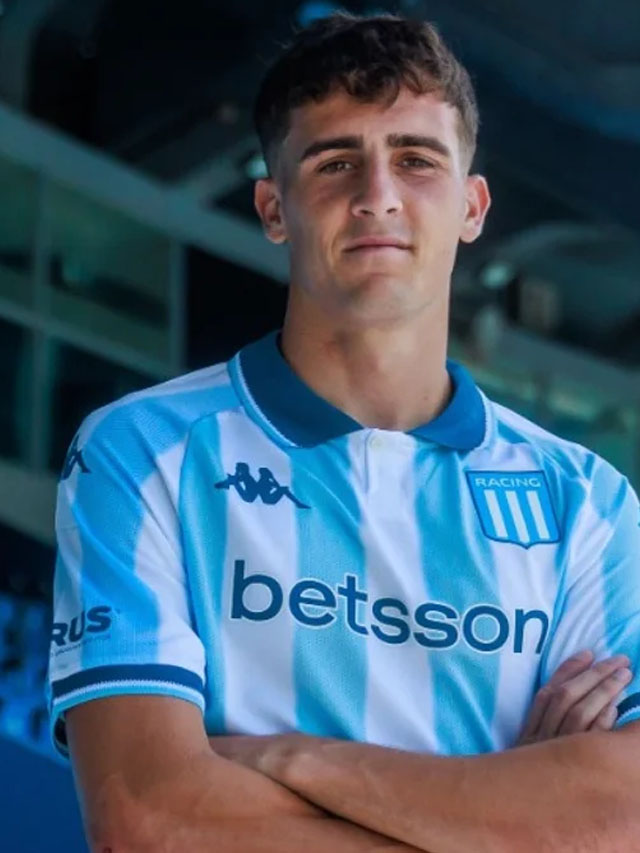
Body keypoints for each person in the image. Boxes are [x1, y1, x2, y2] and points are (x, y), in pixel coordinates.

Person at [47, 13, 640, 852]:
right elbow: (149, 820)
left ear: (473, 207)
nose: (378, 195)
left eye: (416, 159)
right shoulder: (141, 451)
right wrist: (509, 817)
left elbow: (621, 819)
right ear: (272, 207)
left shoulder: (589, 505)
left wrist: (289, 757)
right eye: (334, 162)